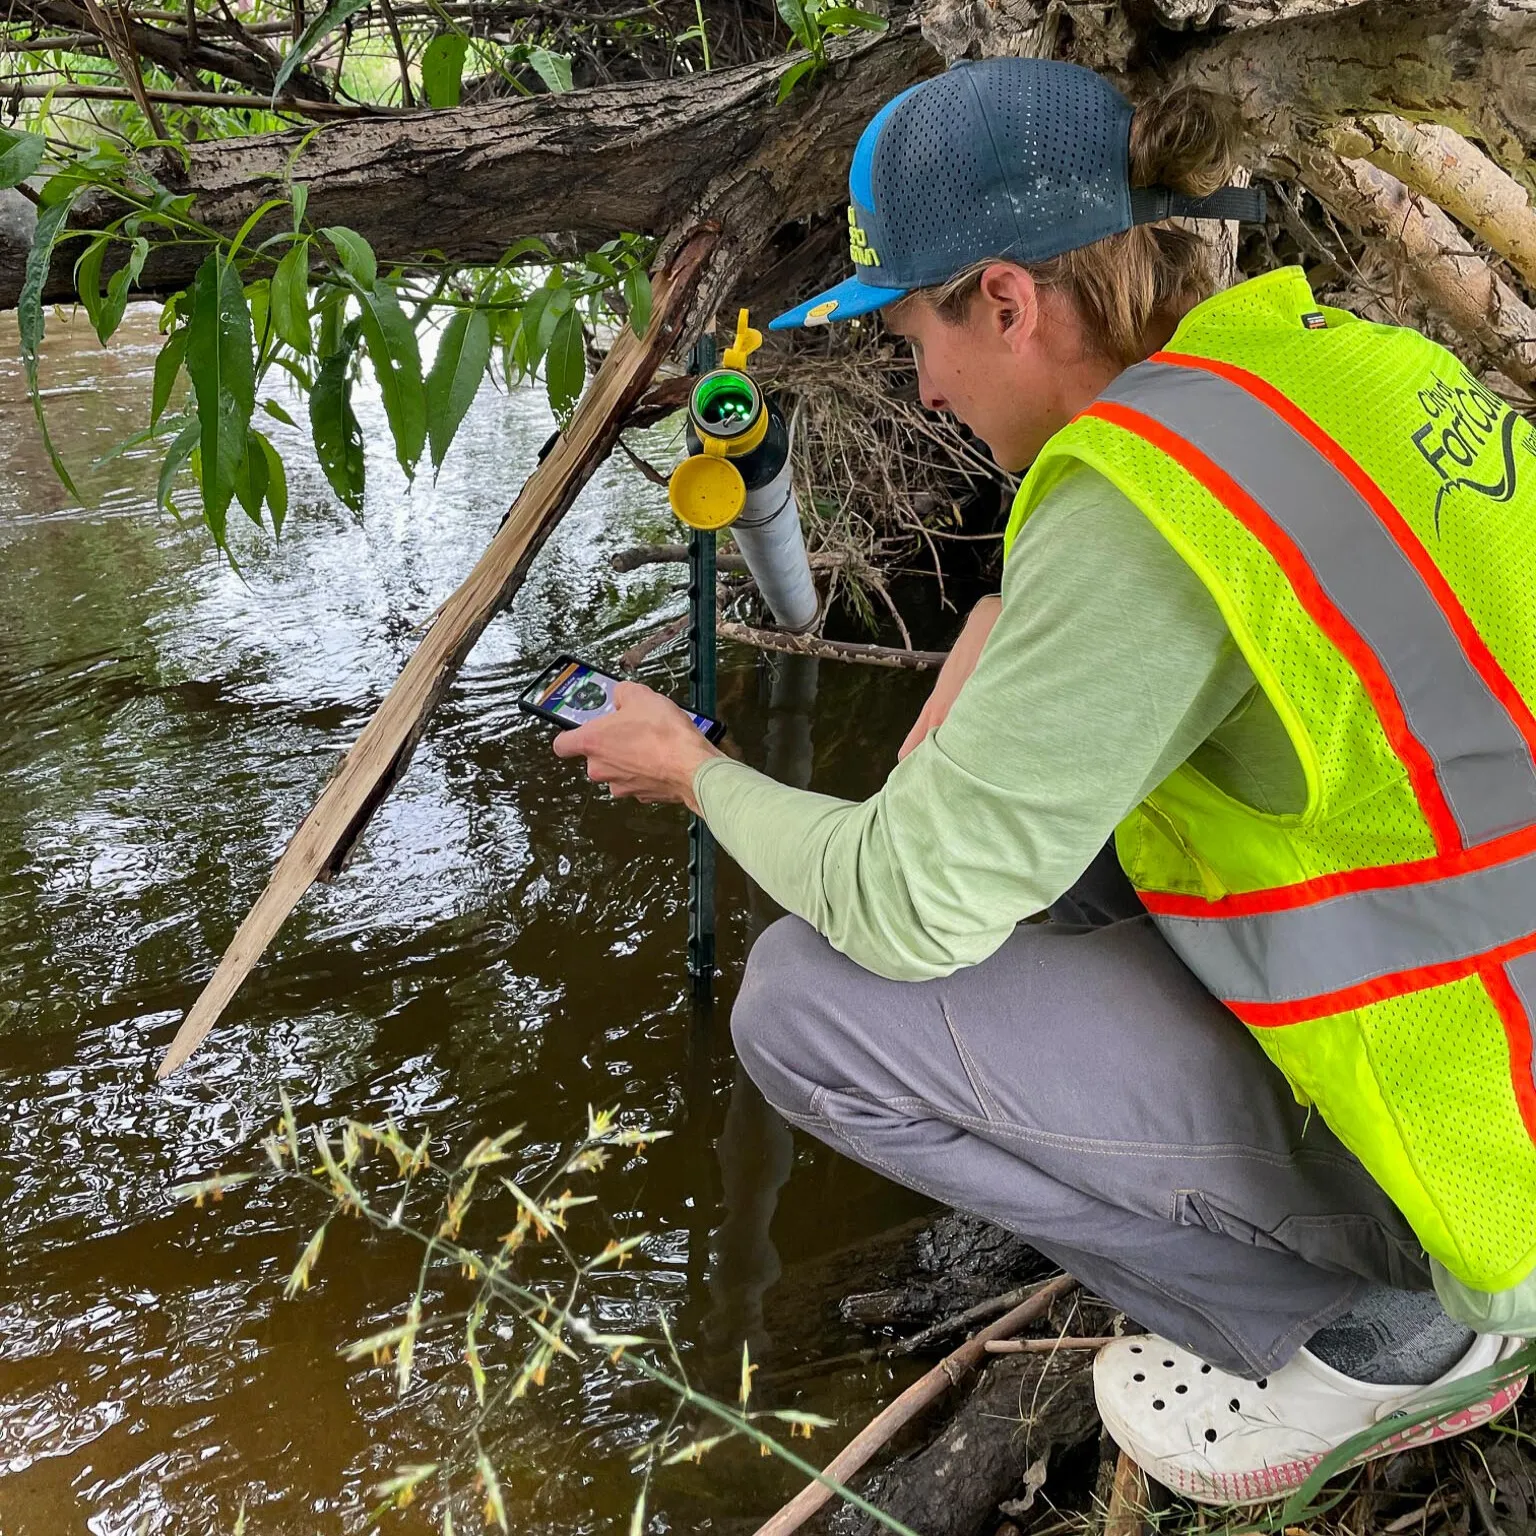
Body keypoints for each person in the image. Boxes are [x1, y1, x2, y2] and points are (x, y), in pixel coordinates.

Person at [554, 58, 1536, 1503]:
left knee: (804, 1005)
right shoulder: (1344, 364)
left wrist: (694, 770)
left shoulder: (1134, 509)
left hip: (1486, 1145)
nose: (926, 384)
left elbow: (905, 909)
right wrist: (1008, 616)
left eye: (914, 339)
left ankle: (1391, 1329)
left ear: (1007, 301)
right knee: (1040, 832)